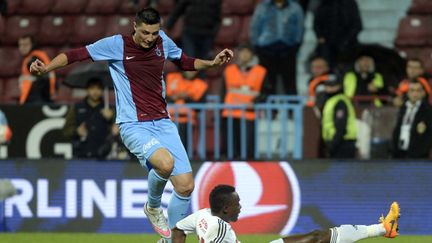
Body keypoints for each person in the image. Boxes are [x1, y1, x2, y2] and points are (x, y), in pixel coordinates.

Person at [29, 7, 233, 241]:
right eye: (145, 32)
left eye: (154, 33)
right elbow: (76, 54)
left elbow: (184, 62)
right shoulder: (117, 45)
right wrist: (46, 69)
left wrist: (212, 63)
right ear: (135, 26)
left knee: (186, 186)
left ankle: (171, 239)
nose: (149, 38)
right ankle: (153, 207)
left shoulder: (162, 42)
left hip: (163, 123)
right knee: (165, 164)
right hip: (133, 124)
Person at [172, 184, 400, 243]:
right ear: (225, 209)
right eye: (237, 204)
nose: (241, 207)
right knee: (317, 238)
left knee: (316, 237)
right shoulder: (218, 227)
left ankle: (382, 229)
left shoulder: (202, 215)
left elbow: (178, 230)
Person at [222, 43, 266, 159]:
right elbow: (223, 91)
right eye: (242, 52)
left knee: (248, 149)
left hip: (249, 113)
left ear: (252, 55)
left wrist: (255, 102)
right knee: (231, 148)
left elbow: (265, 92)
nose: (244, 55)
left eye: (247, 52)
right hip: (230, 113)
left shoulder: (261, 71)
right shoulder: (229, 70)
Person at [250, 0, 304, 95]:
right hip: (266, 49)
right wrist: (256, 46)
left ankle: (292, 108)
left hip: (287, 48)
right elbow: (255, 27)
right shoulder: (263, 7)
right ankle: (268, 108)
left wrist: (296, 44)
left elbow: (299, 27)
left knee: (290, 83)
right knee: (267, 83)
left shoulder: (295, 7)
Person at [62, 78, 116, 159]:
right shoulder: (77, 107)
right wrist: (76, 131)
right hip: (80, 155)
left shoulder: (109, 109)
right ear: (87, 90)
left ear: (102, 90)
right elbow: (66, 131)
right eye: (92, 88)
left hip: (104, 156)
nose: (95, 91)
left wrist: (111, 119)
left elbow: (117, 132)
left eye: (98, 88)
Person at [313, 0, 362, 69]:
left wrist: (346, 41)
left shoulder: (350, 3)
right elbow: (317, 23)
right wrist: (320, 36)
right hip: (328, 46)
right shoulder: (324, 3)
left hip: (347, 45)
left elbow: (357, 25)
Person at [166, 70, 208, 148]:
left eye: (193, 70)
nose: (191, 72)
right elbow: (162, 96)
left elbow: (200, 106)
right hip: (168, 120)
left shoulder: (200, 84)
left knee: (183, 146)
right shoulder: (171, 77)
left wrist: (187, 97)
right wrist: (173, 98)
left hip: (187, 121)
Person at [392, 81, 432, 159]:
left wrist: (422, 152)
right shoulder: (403, 108)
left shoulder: (428, 111)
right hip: (400, 154)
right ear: (408, 93)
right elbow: (397, 129)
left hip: (418, 157)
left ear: (423, 93)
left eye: (418, 91)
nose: (415, 94)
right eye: (412, 90)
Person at [321, 76, 357, 158]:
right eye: (327, 85)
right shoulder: (331, 100)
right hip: (337, 141)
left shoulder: (340, 101)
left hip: (343, 142)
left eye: (332, 86)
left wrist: (333, 144)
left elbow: (341, 125)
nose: (329, 88)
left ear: (339, 86)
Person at [18, 35, 56, 105]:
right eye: (20, 45)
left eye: (25, 45)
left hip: (35, 98)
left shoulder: (33, 59)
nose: (22, 48)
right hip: (38, 97)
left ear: (33, 45)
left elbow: (44, 77)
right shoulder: (37, 55)